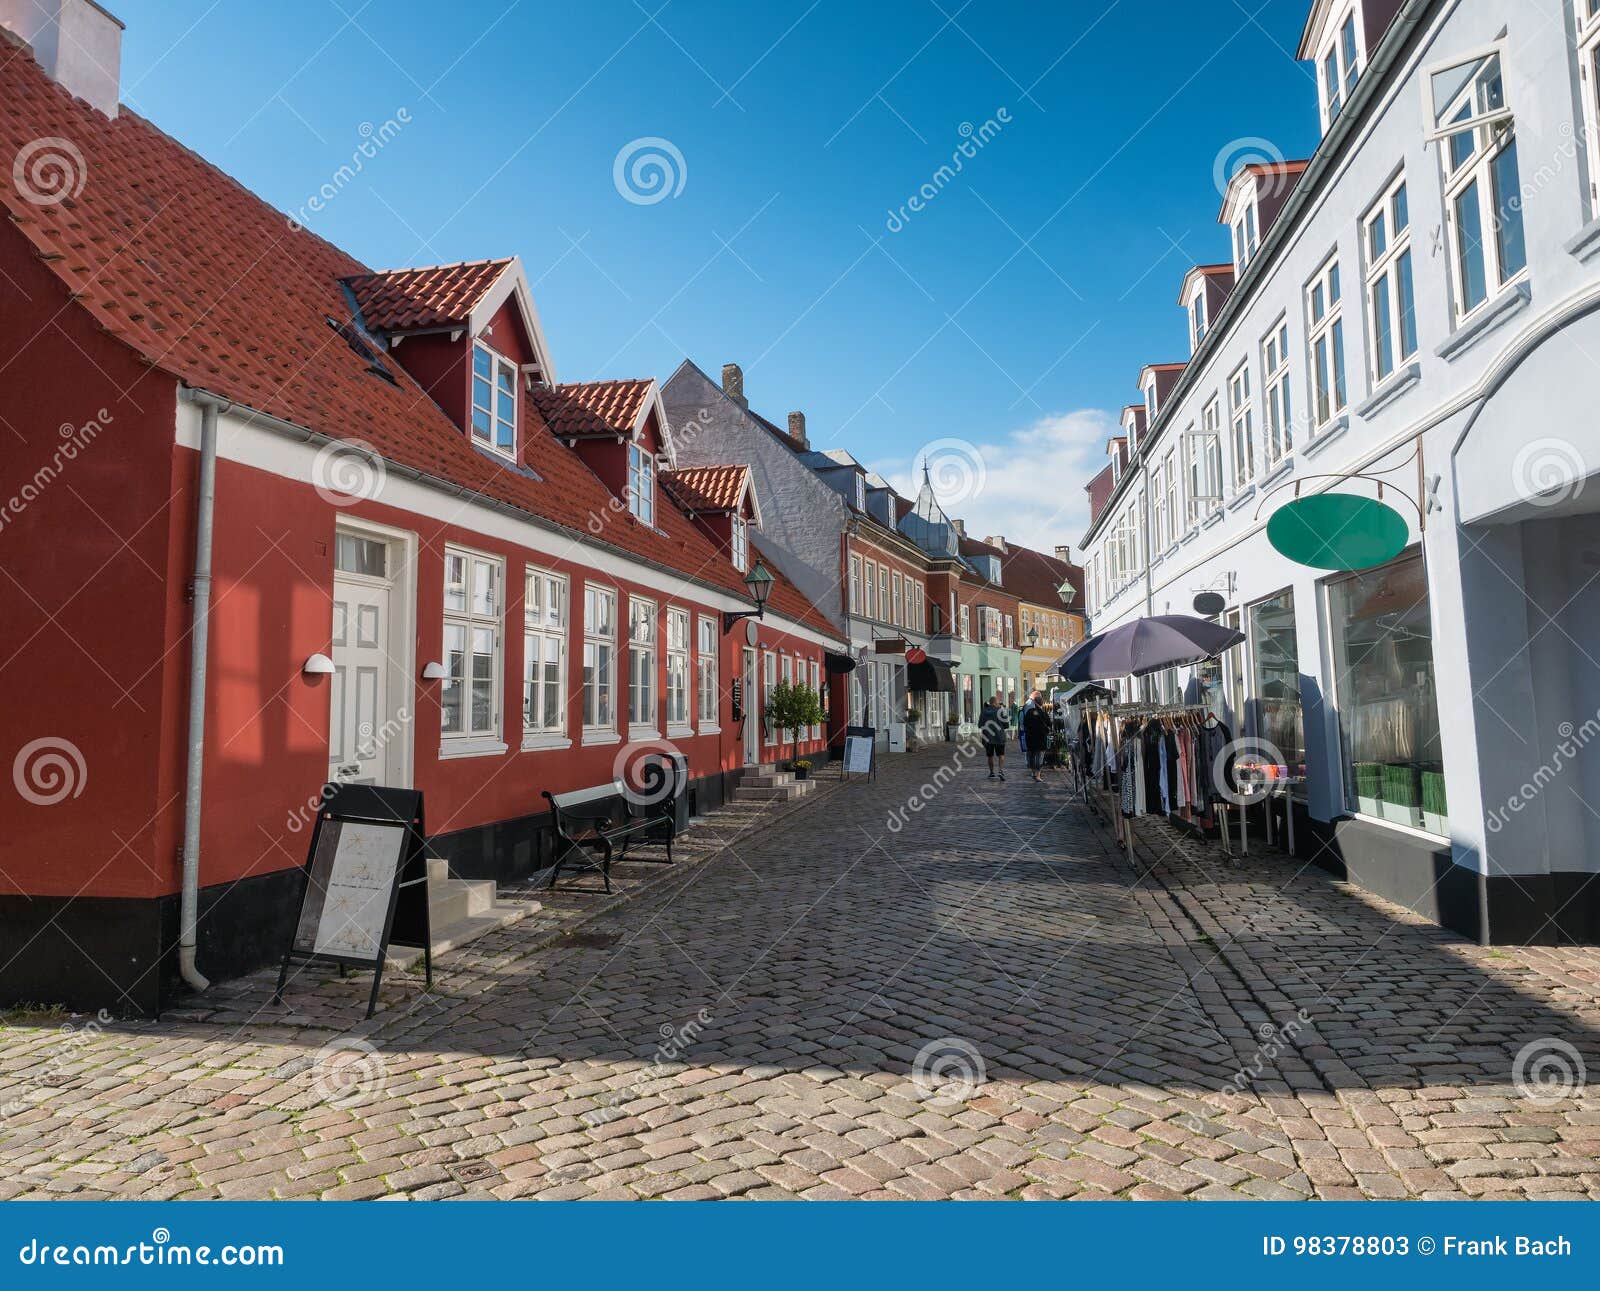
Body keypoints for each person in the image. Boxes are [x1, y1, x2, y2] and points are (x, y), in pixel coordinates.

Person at [978, 693, 1010, 780]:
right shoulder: (1000, 711)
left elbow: (980, 725)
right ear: (995, 703)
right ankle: (1000, 770)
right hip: (999, 737)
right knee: (1001, 755)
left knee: (990, 756)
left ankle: (992, 772)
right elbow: (1007, 725)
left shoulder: (984, 711)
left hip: (987, 738)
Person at [1022, 690, 1051, 782]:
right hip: (1041, 737)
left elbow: (1025, 723)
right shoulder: (1043, 713)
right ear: (1041, 703)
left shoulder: (1029, 711)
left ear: (1034, 702)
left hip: (1030, 737)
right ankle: (1038, 775)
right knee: (1039, 756)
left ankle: (1033, 771)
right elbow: (1049, 724)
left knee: (1031, 754)